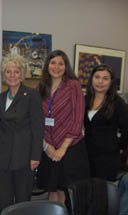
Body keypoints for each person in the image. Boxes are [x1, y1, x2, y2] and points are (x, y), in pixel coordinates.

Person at [0, 54, 44, 215]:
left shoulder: (31, 95)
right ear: (3, 74)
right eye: (8, 71)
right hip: (4, 155)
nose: (12, 75)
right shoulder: (1, 97)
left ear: (22, 74)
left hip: (25, 155)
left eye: (16, 71)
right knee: (4, 199)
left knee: (23, 198)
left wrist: (35, 156)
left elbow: (38, 126)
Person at [37, 50, 90, 204]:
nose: (56, 67)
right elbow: (35, 120)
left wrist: (61, 149)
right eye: (53, 63)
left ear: (66, 66)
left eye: (61, 63)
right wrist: (46, 146)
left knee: (64, 191)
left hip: (70, 147)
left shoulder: (73, 86)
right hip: (47, 147)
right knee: (51, 189)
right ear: (47, 65)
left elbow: (77, 119)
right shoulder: (40, 88)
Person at [84, 64, 128, 181]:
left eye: (105, 78)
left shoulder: (118, 103)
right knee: (86, 188)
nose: (100, 81)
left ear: (111, 82)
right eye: (97, 77)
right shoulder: (86, 99)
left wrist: (120, 147)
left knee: (103, 192)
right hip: (86, 152)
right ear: (92, 79)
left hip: (107, 155)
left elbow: (127, 130)